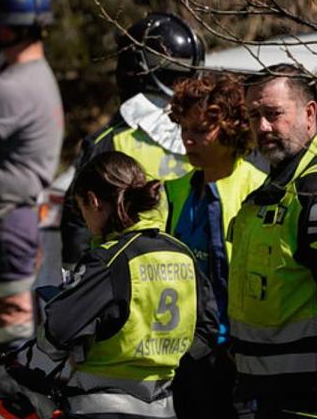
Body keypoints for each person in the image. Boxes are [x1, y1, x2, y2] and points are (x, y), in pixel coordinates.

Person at [39, 151, 219, 419]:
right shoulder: (182, 253)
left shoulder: (108, 260)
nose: (85, 221)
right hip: (163, 406)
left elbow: (57, 331)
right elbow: (207, 329)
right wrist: (166, 359)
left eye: (81, 209)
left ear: (93, 201)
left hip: (102, 407)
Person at [60, 13, 205, 269]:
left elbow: (78, 222)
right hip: (191, 276)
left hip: (122, 276)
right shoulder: (216, 138)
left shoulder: (109, 140)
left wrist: (76, 278)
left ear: (129, 70)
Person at [164, 73, 267, 418]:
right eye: (184, 128)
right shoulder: (174, 191)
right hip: (184, 355)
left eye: (199, 130)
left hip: (236, 357)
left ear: (231, 128)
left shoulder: (259, 190)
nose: (187, 139)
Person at [0, 0, 65, 348]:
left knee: (10, 326)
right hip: (22, 218)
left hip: (7, 221)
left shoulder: (12, 88)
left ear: (5, 27)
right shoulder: (36, 75)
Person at [228, 64, 317, 417]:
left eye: (273, 114)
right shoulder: (276, 189)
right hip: (266, 396)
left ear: (310, 114)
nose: (262, 127)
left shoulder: (311, 193)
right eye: (254, 116)